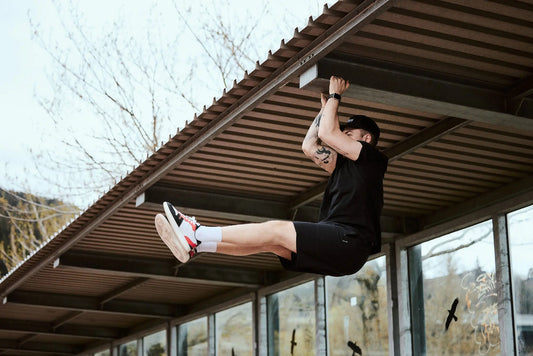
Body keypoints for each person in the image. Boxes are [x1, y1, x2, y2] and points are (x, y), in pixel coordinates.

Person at [154, 76, 388, 276]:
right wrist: (324, 109)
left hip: (349, 241)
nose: (343, 137)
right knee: (272, 242)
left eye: (349, 133)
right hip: (340, 247)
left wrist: (335, 96)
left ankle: (196, 232)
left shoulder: (372, 159)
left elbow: (328, 132)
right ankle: (199, 245)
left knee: (276, 229)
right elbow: (308, 145)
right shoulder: (342, 165)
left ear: (365, 139)